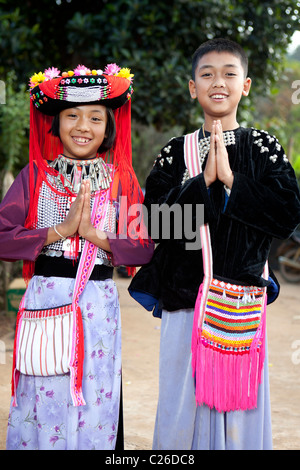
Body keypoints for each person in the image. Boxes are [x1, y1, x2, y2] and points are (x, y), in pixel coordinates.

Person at [129, 38, 300, 450]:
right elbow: (155, 223)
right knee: (180, 410)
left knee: (239, 414)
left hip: (240, 305)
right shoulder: (174, 153)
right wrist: (202, 183)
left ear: (246, 85)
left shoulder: (264, 149)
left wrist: (233, 181)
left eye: (229, 73)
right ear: (192, 88)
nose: (217, 82)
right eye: (206, 74)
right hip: (185, 302)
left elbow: (287, 214)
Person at [1, 63, 153, 450]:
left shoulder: (123, 180)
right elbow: (2, 237)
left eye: (95, 117)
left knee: (94, 392)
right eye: (72, 115)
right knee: (44, 386)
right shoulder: (34, 177)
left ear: (108, 127)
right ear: (55, 122)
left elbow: (145, 247)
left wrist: (95, 236)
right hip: (46, 301)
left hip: (96, 307)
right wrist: (59, 232)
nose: (83, 126)